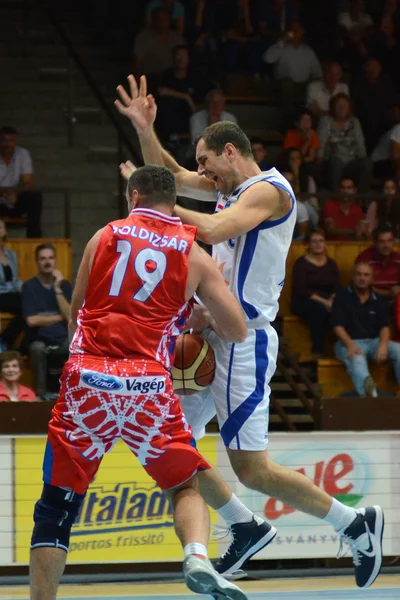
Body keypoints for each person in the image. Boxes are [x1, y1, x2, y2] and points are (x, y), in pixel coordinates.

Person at [115, 74, 385, 588]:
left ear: (231, 152)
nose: (201, 173)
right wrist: (145, 127)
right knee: (170, 446)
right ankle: (244, 525)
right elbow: (170, 174)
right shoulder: (230, 187)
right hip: (210, 333)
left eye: (207, 164)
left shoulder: (268, 193)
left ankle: (354, 524)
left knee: (253, 468)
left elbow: (213, 229)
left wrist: (155, 213)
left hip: (245, 339)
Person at [29, 165, 248, 600]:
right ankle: (197, 557)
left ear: (133, 196)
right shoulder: (194, 253)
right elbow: (237, 329)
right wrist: (193, 312)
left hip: (88, 378)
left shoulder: (105, 235)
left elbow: (76, 313)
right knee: (183, 484)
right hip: (147, 384)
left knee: (56, 505)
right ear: (174, 201)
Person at [332, 261, 400, 397]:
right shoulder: (341, 297)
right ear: (353, 276)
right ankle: (370, 394)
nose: (362, 278)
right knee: (357, 358)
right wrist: (350, 345)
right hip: (348, 342)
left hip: (373, 342)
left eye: (366, 275)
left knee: (398, 350)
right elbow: (337, 326)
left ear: (372, 278)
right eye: (358, 274)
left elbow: (385, 327)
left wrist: (383, 345)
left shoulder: (379, 299)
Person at [22, 244, 71, 402]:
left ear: (55, 261)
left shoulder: (65, 286)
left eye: (50, 258)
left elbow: (70, 316)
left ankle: (69, 394)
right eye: (43, 259)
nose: (47, 262)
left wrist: (57, 289)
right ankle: (40, 395)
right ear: (37, 263)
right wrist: (59, 317)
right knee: (37, 349)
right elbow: (32, 320)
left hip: (62, 339)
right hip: (39, 339)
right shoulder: (29, 286)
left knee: (75, 347)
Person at [291, 230, 340, 357]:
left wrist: (332, 300)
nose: (318, 244)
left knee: (342, 307)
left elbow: (336, 287)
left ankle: (340, 345)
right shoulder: (301, 263)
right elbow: (301, 289)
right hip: (304, 301)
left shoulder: (331, 264)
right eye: (314, 241)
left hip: (328, 300)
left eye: (321, 241)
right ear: (308, 244)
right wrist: (325, 302)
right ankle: (318, 350)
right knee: (319, 310)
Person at [264, 20, 322, 124]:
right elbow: (267, 58)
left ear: (302, 32)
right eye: (292, 30)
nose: (295, 32)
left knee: (315, 86)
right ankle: (288, 122)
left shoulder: (308, 51)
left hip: (303, 86)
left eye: (297, 30)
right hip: (283, 86)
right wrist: (282, 41)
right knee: (287, 83)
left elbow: (318, 73)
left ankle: (311, 122)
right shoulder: (282, 48)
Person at [317, 94, 372, 193]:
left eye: (345, 106)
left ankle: (360, 199)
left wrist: (362, 159)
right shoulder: (325, 121)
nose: (342, 108)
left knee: (366, 163)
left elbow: (360, 146)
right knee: (335, 163)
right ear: (333, 107)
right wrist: (319, 160)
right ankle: (335, 199)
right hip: (332, 161)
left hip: (351, 162)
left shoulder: (354, 122)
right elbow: (321, 144)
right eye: (338, 105)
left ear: (349, 108)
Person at [0, 126, 42, 238]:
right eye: (4, 140)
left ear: (15, 141)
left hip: (15, 199)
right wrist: (4, 193)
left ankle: (34, 240)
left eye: (11, 141)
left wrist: (15, 194)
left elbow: (28, 182)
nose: (7, 144)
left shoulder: (22, 154)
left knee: (35, 197)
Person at [352, 58, 396, 154]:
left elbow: (393, 100)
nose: (373, 69)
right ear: (365, 69)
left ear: (380, 68)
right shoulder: (359, 86)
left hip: (387, 120)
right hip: (368, 122)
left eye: (375, 67)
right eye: (370, 67)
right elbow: (359, 109)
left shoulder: (386, 82)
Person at [133, 8, 185, 76]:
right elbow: (137, 65)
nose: (163, 21)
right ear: (153, 20)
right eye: (160, 18)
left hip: (172, 79)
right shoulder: (143, 38)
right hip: (151, 78)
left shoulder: (177, 38)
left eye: (166, 19)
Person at [356, 224, 400, 299]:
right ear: (375, 243)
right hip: (371, 301)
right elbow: (360, 287)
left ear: (393, 242)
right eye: (382, 242)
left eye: (389, 241)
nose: (386, 245)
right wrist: (388, 293)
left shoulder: (398, 259)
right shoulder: (364, 258)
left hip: (395, 301)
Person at [0, 220, 24, 350]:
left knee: (31, 303)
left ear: (5, 231)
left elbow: (15, 279)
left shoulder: (10, 254)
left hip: (12, 293)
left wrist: (27, 289)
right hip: (1, 294)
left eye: (0, 227)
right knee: (27, 306)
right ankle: (6, 340)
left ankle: (5, 339)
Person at [280, 148, 319, 228]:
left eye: (298, 158)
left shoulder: (308, 178)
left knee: (305, 208)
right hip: (285, 203)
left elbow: (301, 197)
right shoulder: (282, 175)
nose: (295, 161)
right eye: (292, 159)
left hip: (305, 204)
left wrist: (296, 173)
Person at [283, 109, 320, 176]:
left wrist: (308, 140)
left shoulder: (313, 134)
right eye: (304, 120)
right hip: (290, 161)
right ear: (297, 123)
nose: (307, 123)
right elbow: (294, 156)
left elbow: (311, 157)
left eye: (309, 120)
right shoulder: (290, 134)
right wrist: (307, 142)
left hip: (305, 163)